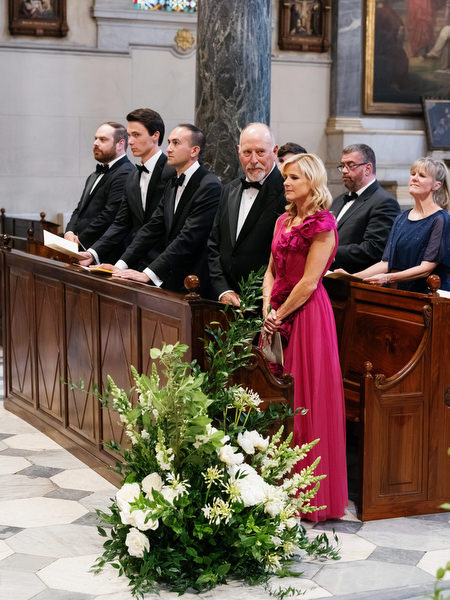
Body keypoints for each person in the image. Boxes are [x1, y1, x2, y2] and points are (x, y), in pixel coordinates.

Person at [262, 153, 348, 521]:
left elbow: (310, 282)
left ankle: (308, 493)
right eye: (285, 177)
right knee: (277, 395)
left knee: (305, 399)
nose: (286, 182)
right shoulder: (283, 219)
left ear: (312, 182)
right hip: (277, 313)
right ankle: (279, 485)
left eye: (294, 177)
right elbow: (269, 271)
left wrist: (280, 313)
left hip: (308, 316)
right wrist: (267, 308)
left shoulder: (323, 224)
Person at [103, 124, 221, 297]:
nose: (169, 149)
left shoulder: (209, 185)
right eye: (169, 142)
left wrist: (148, 274)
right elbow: (152, 227)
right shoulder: (172, 183)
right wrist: (120, 265)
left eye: (175, 143)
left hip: (195, 282)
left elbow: (188, 238)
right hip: (171, 277)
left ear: (194, 151)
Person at [77, 108, 175, 266]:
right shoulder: (133, 176)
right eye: (129, 135)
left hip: (166, 264)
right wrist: (92, 253)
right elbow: (121, 223)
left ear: (155, 136)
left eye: (136, 135)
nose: (130, 141)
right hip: (136, 261)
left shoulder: (172, 172)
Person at [344, 157, 450, 293]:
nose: (415, 178)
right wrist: (350, 277)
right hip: (399, 292)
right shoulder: (401, 218)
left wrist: (388, 278)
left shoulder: (441, 219)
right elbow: (386, 263)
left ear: (437, 185)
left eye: (422, 175)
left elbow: (426, 268)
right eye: (413, 174)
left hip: (428, 295)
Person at [208, 122, 285, 305]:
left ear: (274, 151)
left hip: (267, 302)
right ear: (238, 151)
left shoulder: (288, 192)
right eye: (247, 152)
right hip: (224, 300)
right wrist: (223, 289)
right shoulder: (229, 189)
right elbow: (213, 244)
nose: (253, 160)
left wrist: (263, 299)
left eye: (260, 152)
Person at [65, 122, 134, 263]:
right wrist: (70, 232)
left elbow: (109, 214)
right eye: (95, 138)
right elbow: (79, 209)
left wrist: (80, 239)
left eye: (102, 140)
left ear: (120, 144)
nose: (95, 143)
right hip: (82, 249)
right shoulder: (93, 175)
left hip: (105, 254)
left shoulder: (126, 172)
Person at [330, 143, 400, 272]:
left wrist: (328, 252)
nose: (344, 171)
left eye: (350, 165)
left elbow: (373, 249)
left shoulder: (384, 202)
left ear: (368, 168)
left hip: (355, 282)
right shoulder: (338, 200)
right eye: (342, 166)